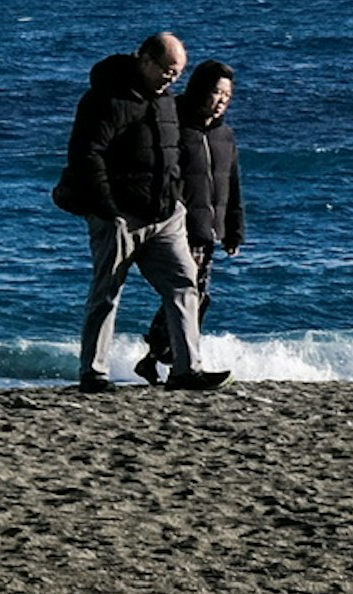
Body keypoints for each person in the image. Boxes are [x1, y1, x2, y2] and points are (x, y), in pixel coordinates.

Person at [61, 33, 228, 391]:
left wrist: (177, 200)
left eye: (177, 73)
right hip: (119, 215)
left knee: (185, 285)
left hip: (165, 215)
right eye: (167, 70)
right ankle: (93, 373)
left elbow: (174, 152)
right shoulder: (105, 98)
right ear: (145, 60)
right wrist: (108, 208)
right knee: (107, 292)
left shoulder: (166, 101)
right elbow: (88, 154)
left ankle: (186, 370)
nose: (172, 78)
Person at [141, 60, 245, 383]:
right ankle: (174, 364)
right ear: (200, 90)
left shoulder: (225, 135)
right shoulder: (179, 126)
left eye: (227, 95)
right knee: (187, 295)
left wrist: (234, 229)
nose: (222, 100)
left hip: (210, 230)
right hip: (181, 226)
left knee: (195, 297)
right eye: (216, 93)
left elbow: (233, 183)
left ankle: (157, 357)